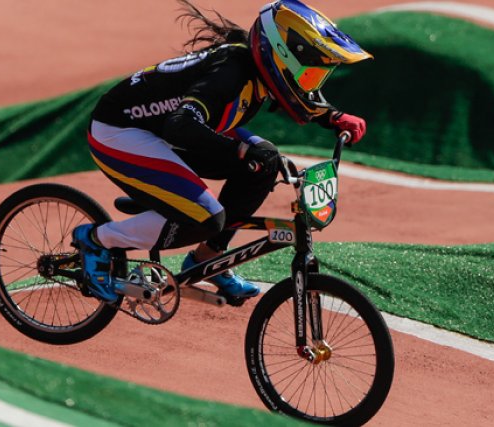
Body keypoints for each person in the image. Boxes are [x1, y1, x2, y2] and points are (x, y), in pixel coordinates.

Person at [72, 0, 372, 303]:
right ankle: (97, 240)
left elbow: (293, 92)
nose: (309, 85)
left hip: (163, 128)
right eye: (308, 75)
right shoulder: (229, 74)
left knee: (265, 162)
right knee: (206, 218)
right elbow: (180, 125)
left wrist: (332, 116)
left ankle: (208, 259)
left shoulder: (253, 68)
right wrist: (239, 150)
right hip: (120, 131)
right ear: (281, 58)